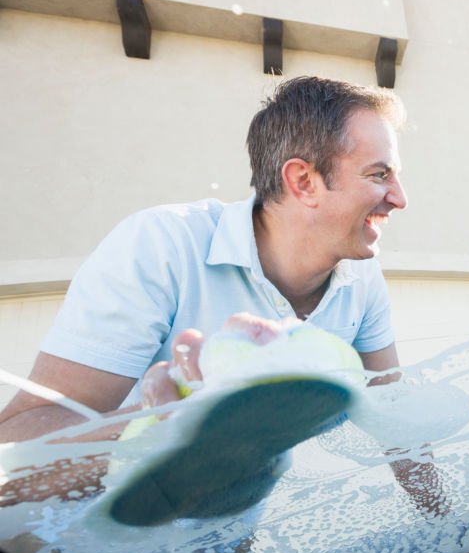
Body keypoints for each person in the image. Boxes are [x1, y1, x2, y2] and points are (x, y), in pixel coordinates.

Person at [0, 76, 407, 443]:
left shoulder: (362, 277)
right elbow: (14, 440)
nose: (400, 199)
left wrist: (444, 519)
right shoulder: (160, 245)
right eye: (379, 175)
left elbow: (394, 417)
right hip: (100, 522)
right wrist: (170, 422)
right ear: (303, 181)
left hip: (234, 523)